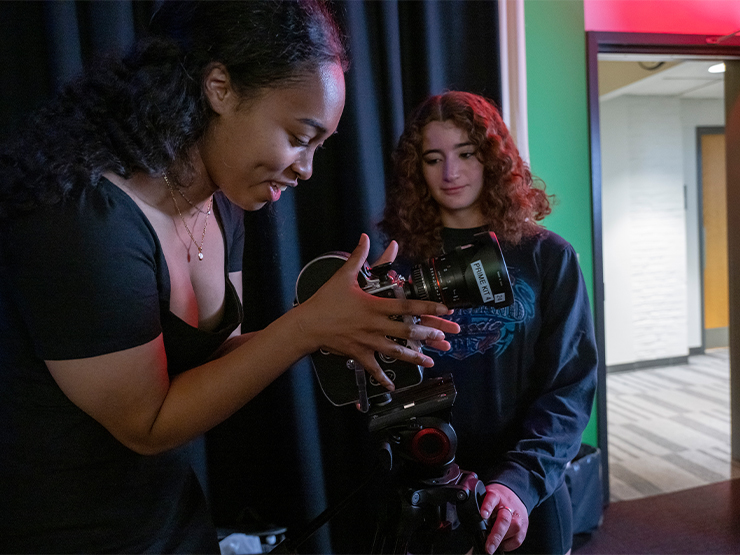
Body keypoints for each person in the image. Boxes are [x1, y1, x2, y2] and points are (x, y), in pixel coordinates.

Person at [0, 2, 460, 553]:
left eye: (319, 147)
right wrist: (305, 329)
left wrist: (346, 327)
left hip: (171, 522)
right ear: (220, 87)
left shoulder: (220, 206)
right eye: (298, 135)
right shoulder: (83, 222)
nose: (306, 168)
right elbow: (147, 424)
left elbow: (215, 359)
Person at [379, 91, 598, 555]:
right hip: (424, 493)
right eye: (433, 158)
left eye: (466, 154)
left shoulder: (547, 255)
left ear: (493, 158)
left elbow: (570, 388)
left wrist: (520, 482)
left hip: (525, 495)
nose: (450, 173)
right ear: (416, 168)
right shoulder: (397, 261)